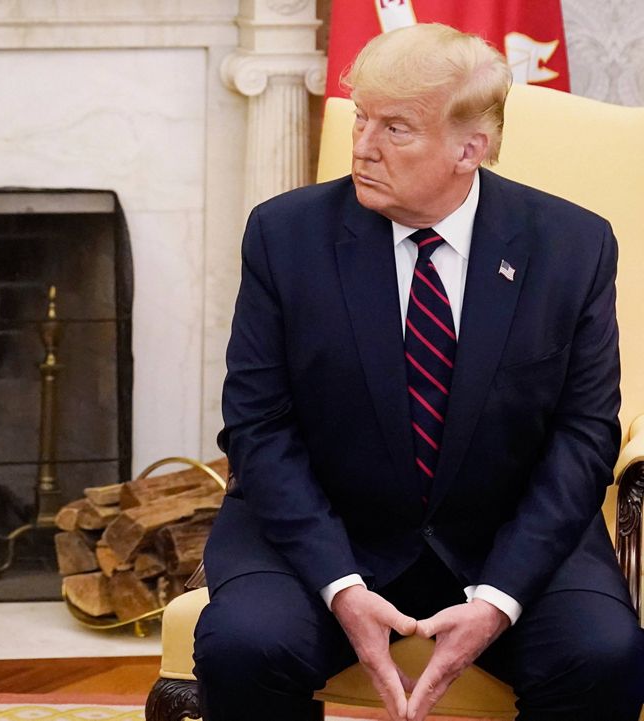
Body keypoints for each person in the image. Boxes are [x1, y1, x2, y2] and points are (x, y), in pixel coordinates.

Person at [193, 23, 644, 721]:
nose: (363, 145)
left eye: (395, 128)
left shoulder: (572, 246)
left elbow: (584, 437)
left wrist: (497, 599)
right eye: (362, 117)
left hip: (507, 534)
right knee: (244, 644)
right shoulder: (285, 235)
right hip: (323, 528)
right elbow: (258, 426)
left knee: (602, 655)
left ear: (471, 148)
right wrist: (341, 584)